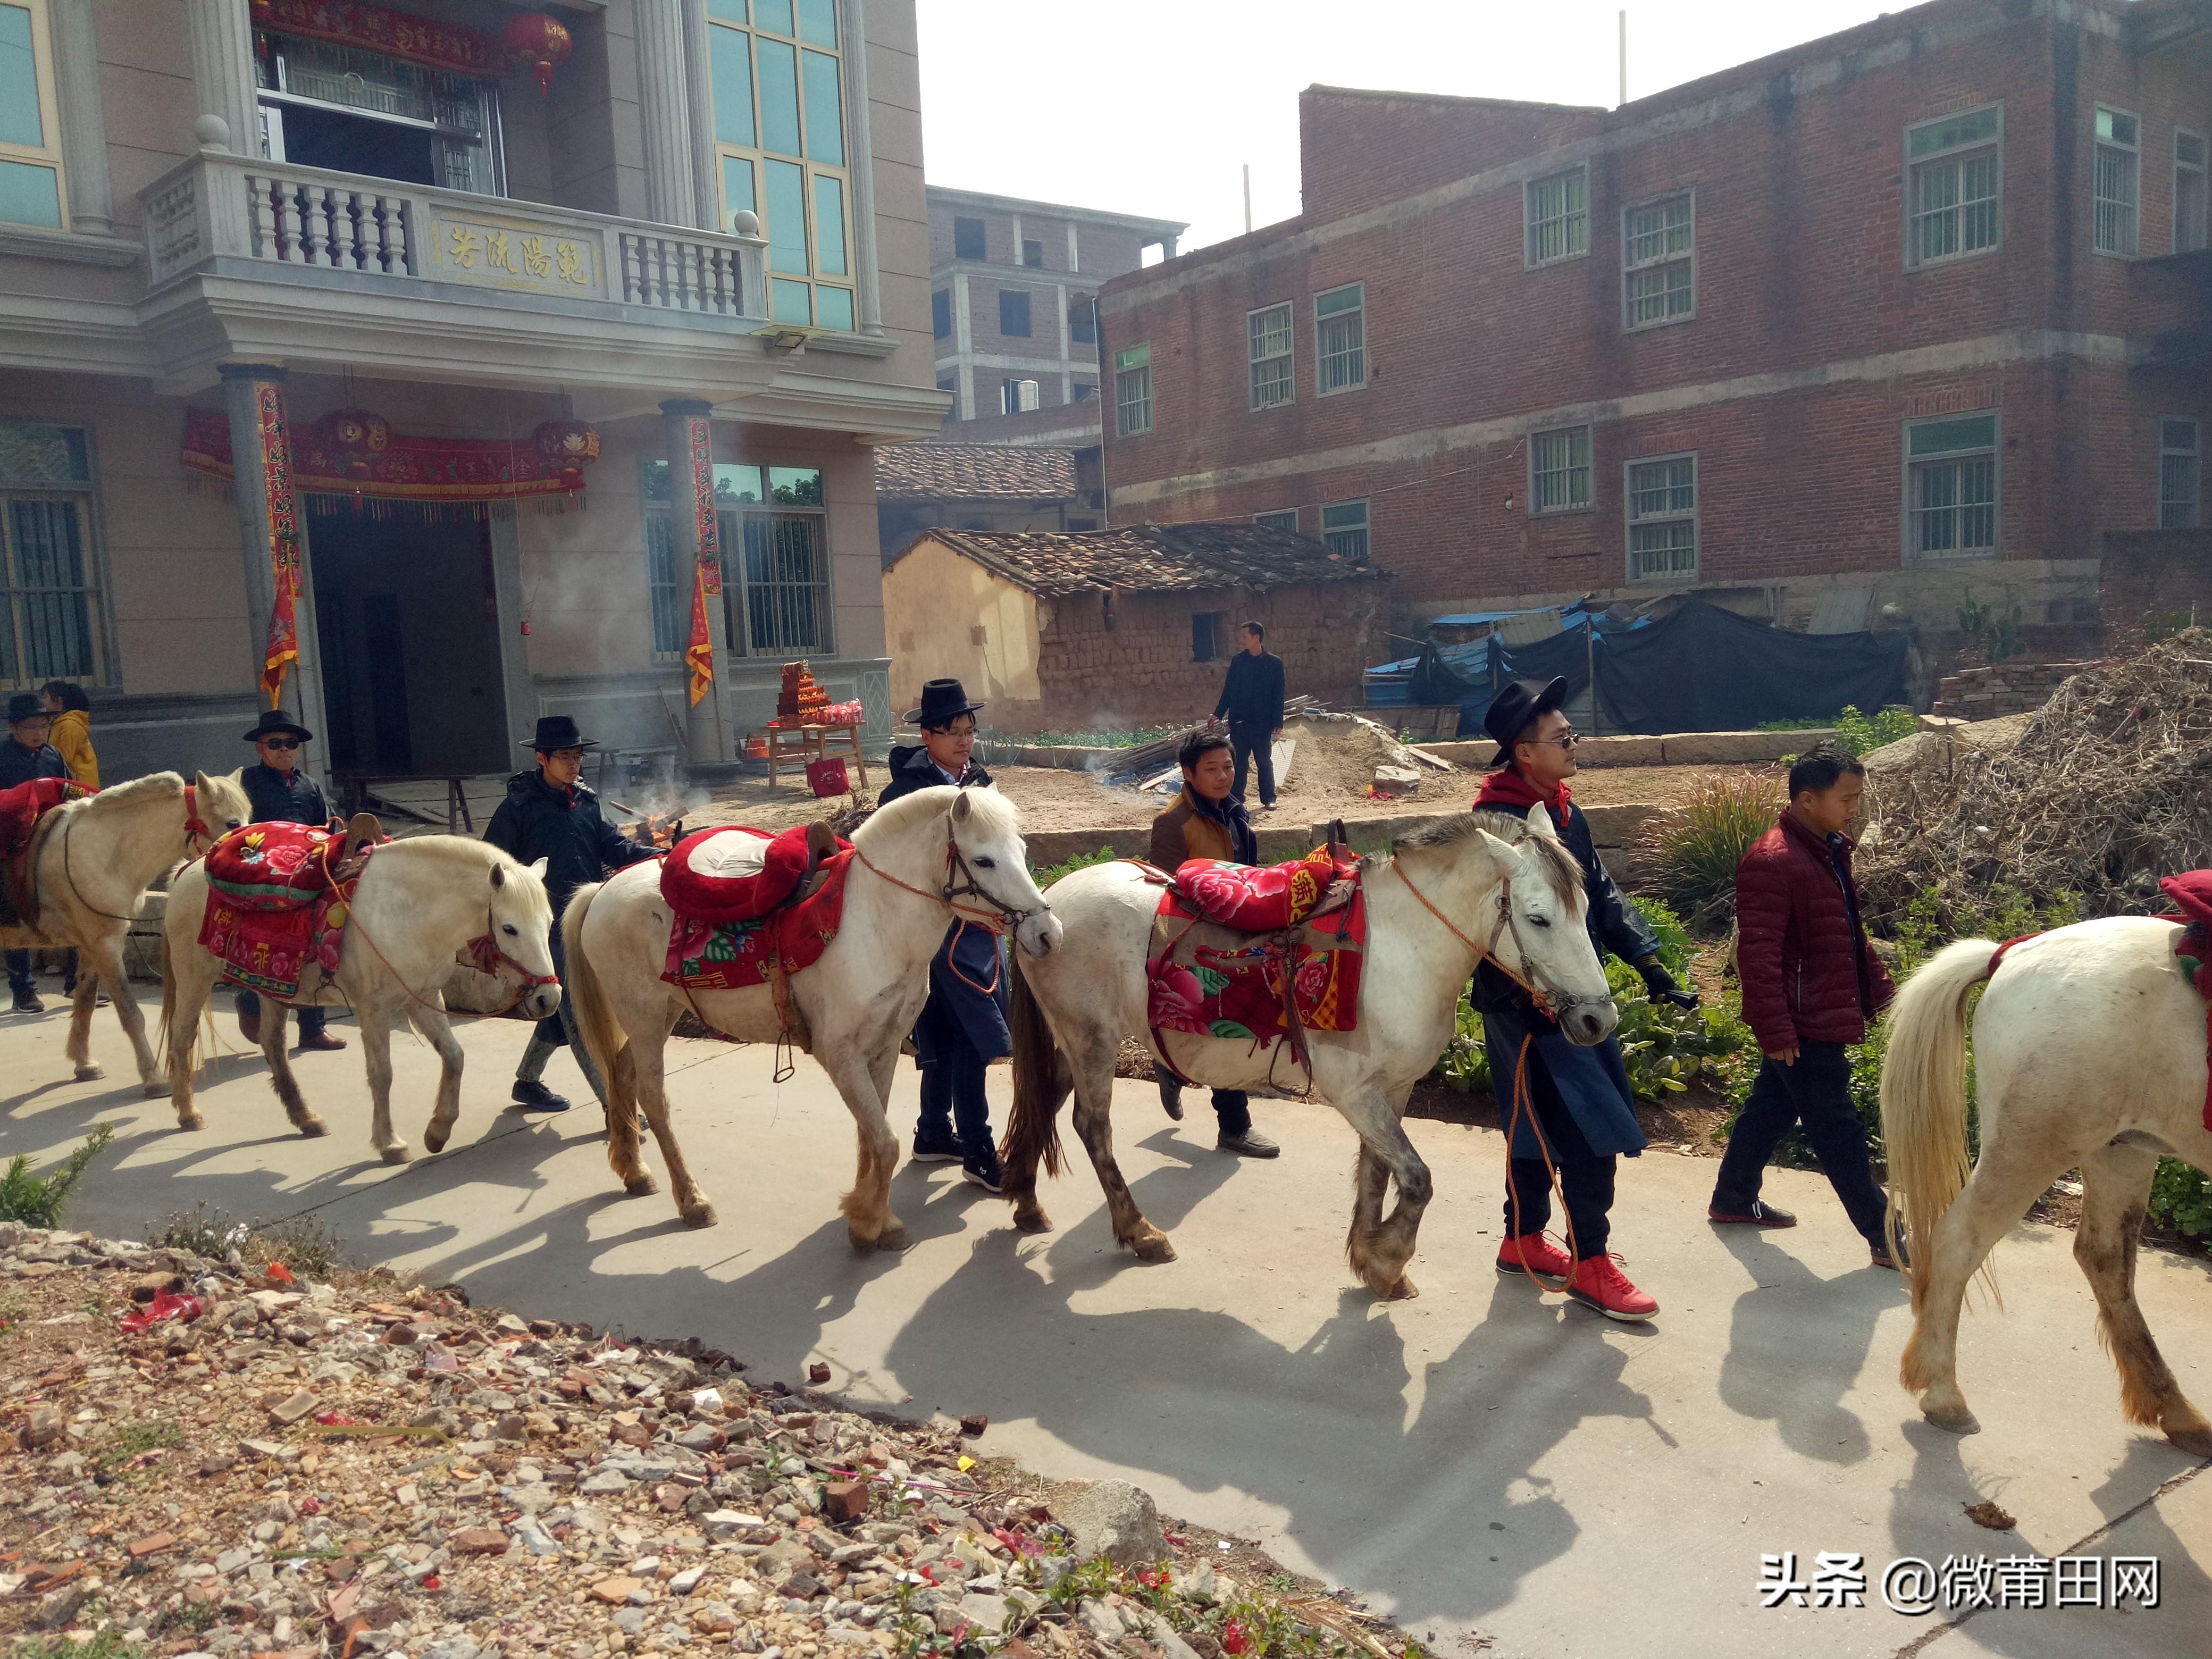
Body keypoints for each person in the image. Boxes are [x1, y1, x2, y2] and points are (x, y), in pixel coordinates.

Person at [1472, 676, 1697, 1321]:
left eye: (1571, 735)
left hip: (1569, 993)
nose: (1574, 745)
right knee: (1584, 1130)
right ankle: (1590, 1262)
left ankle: (1520, 1241)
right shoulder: (1497, 831)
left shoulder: (1564, 815)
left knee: (1537, 1129)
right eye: (1561, 738)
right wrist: (1532, 995)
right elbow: (1492, 929)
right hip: (1529, 1005)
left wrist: (1649, 962)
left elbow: (1599, 895)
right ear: (1523, 753)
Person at [1712, 742, 1902, 1268]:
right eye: (1845, 799)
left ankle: (1731, 1197)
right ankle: (1884, 1233)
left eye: (1856, 797)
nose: (1853, 809)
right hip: (1802, 1021)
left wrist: (1883, 992)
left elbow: (1848, 934)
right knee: (1836, 1127)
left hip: (1817, 1010)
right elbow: (1757, 956)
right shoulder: (1772, 862)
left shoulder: (1828, 848)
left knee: (1771, 1107)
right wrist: (1775, 1031)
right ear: (1804, 800)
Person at [484, 714, 658, 1112]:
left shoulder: (587, 802)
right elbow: (492, 867)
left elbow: (617, 850)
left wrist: (667, 853)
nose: (574, 764)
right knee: (579, 1012)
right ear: (542, 759)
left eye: (578, 756)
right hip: (543, 932)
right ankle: (617, 1109)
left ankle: (527, 1082)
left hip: (588, 923)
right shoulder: (518, 809)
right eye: (565, 757)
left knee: (561, 1010)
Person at [879, 678, 1008, 1193]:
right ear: (927, 736)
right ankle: (979, 1149)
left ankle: (933, 1132)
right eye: (953, 731)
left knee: (949, 1036)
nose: (964, 740)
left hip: (979, 927)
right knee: (967, 1037)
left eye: (970, 730)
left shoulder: (981, 782)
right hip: (931, 933)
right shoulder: (906, 795)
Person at [1149, 728, 1278, 1157]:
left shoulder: (1236, 811)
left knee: (1233, 1022)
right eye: (1212, 769)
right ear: (1188, 773)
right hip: (1196, 942)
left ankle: (1171, 1065)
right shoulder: (1173, 823)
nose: (1224, 776)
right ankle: (1234, 1127)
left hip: (1238, 934)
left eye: (1229, 766)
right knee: (1224, 1026)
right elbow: (1165, 895)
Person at [234, 708, 346, 1051]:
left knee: (316, 948)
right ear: (260, 749)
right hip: (263, 879)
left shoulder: (309, 785)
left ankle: (313, 1029)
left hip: (309, 877)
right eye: (276, 743)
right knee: (262, 948)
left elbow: (328, 828)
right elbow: (236, 832)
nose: (284, 750)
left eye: (291, 744)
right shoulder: (245, 784)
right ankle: (250, 1003)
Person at [0, 693, 69, 1014]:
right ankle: (23, 990)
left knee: (72, 907)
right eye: (31, 726)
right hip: (10, 847)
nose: (39, 732)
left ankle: (78, 982)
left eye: (44, 725)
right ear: (14, 727)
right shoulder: (2, 756)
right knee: (15, 913)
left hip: (51, 844)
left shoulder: (54, 756)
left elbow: (69, 792)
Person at [39, 683, 96, 1002]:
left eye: (46, 699)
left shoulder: (68, 726)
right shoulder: (73, 723)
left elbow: (65, 766)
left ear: (58, 701)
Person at [1212, 621, 1285, 812]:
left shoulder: (1274, 664)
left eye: (1245, 636)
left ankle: (1269, 798)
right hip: (1240, 721)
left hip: (1263, 723)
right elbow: (1228, 690)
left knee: (1264, 762)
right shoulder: (1238, 662)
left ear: (1256, 638)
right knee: (1239, 763)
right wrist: (1218, 714)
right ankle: (1237, 798)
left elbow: (1279, 695)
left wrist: (1278, 721)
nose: (1241, 640)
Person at [40, 682, 96, 789]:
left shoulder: (69, 725)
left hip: (80, 787)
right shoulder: (58, 723)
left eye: (45, 697)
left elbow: (64, 759)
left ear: (58, 701)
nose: (42, 702)